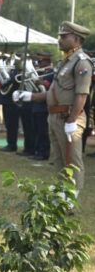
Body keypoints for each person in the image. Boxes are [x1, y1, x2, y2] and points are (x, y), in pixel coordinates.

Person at [14, 21, 93, 195]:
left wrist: (72, 120)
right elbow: (53, 92)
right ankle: (60, 196)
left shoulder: (82, 63)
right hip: (56, 117)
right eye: (60, 37)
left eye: (64, 37)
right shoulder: (64, 63)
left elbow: (82, 94)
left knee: (72, 162)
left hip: (69, 117)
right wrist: (30, 96)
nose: (60, 40)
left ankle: (70, 200)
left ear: (77, 39)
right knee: (58, 161)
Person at [30, 51, 52, 161]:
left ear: (47, 61)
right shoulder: (40, 72)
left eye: (40, 61)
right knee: (36, 130)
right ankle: (37, 150)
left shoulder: (50, 72)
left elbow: (49, 86)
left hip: (44, 105)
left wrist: (40, 82)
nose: (38, 63)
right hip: (36, 104)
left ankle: (43, 152)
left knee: (43, 131)